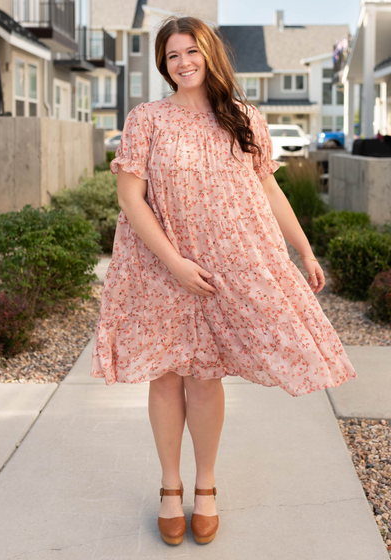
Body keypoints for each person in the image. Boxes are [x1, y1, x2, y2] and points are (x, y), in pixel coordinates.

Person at [91, 15, 357, 546]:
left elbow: (270, 192)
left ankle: (205, 485)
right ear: (164, 66)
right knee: (166, 374)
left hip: (224, 267)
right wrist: (174, 264)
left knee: (206, 374)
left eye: (191, 51)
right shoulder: (147, 119)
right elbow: (129, 199)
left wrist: (303, 249)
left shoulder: (243, 119)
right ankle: (171, 486)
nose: (183, 62)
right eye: (172, 56)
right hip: (159, 266)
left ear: (210, 53)